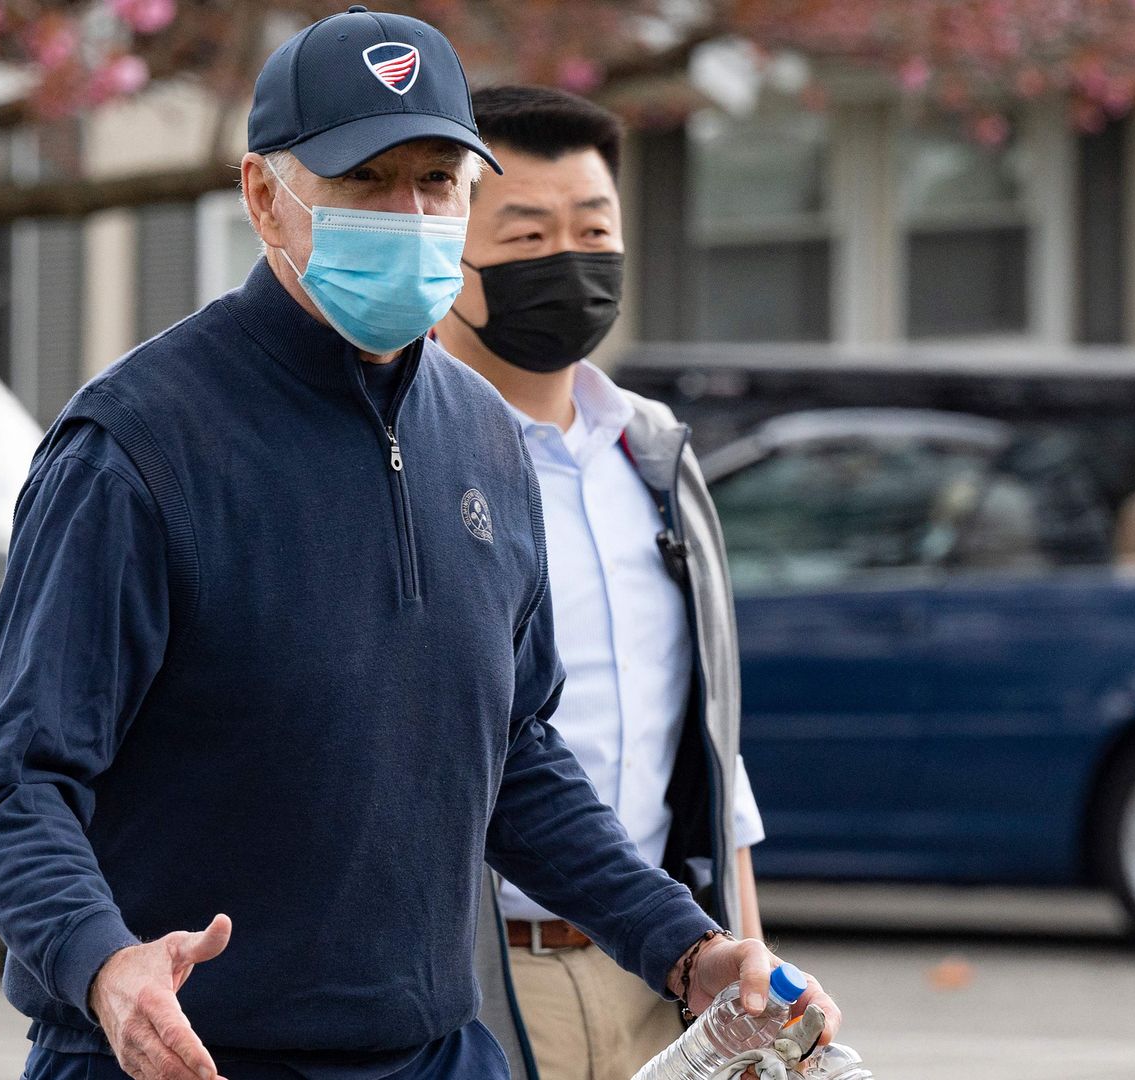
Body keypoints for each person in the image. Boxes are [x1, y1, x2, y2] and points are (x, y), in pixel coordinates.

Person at [0, 9, 838, 1080]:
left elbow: (517, 759)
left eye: (439, 181)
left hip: (438, 1053)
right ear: (265, 195)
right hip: (181, 1057)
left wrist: (685, 946)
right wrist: (103, 965)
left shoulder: (487, 440)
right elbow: (14, 789)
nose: (411, 215)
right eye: (368, 180)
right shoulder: (137, 448)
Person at [435, 86, 766, 1080]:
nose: (568, 262)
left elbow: (711, 745)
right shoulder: (404, 457)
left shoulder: (654, 457)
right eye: (527, 235)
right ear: (447, 250)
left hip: (660, 974)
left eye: (594, 228)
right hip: (477, 976)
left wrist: (746, 955)